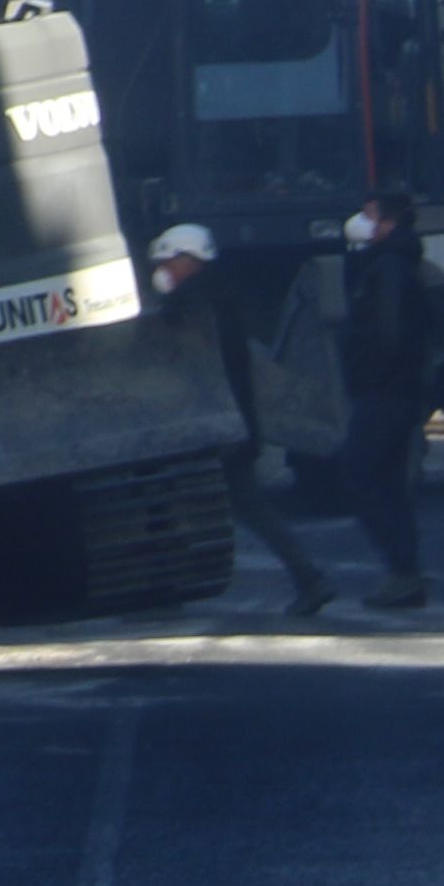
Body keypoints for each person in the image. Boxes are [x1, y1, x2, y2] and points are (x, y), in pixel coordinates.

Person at [145, 221, 336, 616]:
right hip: (231, 421)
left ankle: (169, 593)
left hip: (213, 424)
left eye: (168, 261)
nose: (163, 270)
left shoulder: (196, 305)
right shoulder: (217, 298)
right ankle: (309, 578)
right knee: (246, 506)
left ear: (188, 261)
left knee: (182, 502)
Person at [332, 187, 437, 609]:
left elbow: (389, 334)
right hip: (398, 390)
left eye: (369, 214)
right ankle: (405, 571)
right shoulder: (394, 263)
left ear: (388, 223)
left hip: (385, 392)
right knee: (391, 484)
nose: (362, 222)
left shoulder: (388, 268)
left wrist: (370, 376)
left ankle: (402, 569)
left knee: (359, 474)